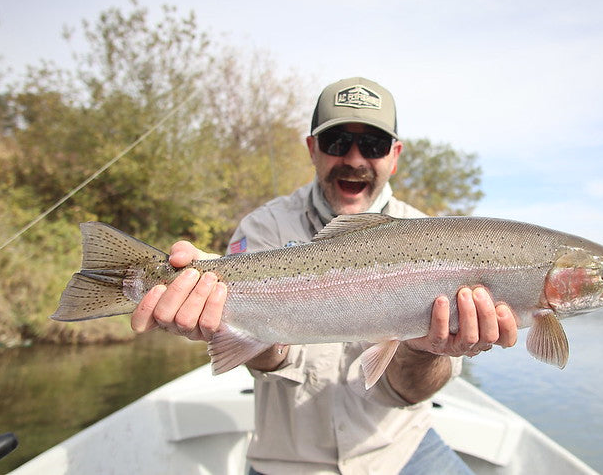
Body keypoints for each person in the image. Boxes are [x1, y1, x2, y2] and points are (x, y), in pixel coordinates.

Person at [130, 77, 518, 474]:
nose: (354, 159)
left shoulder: (435, 238)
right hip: (287, 461)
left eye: (372, 145)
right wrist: (224, 319)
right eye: (337, 142)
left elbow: (415, 392)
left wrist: (422, 349)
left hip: (400, 451)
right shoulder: (264, 227)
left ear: (395, 155)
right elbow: (265, 359)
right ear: (312, 149)